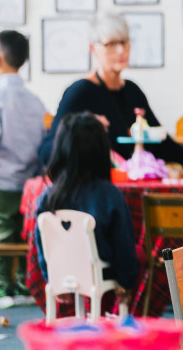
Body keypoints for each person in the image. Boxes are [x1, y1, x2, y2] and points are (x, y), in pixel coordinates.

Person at [37, 13, 183, 169]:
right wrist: (82, 129)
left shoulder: (132, 91)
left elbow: (161, 143)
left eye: (124, 42)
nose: (121, 50)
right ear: (93, 49)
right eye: (111, 44)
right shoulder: (80, 92)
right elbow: (47, 152)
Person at [0, 30, 47, 309]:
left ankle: (2, 290)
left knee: (1, 238)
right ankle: (26, 287)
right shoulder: (35, 101)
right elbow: (43, 144)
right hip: (29, 185)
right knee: (24, 237)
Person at [34, 112, 138, 311]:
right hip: (101, 273)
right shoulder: (109, 194)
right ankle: (112, 312)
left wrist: (52, 277)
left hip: (62, 275)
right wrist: (126, 283)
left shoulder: (47, 196)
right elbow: (123, 245)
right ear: (101, 150)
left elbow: (42, 246)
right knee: (138, 255)